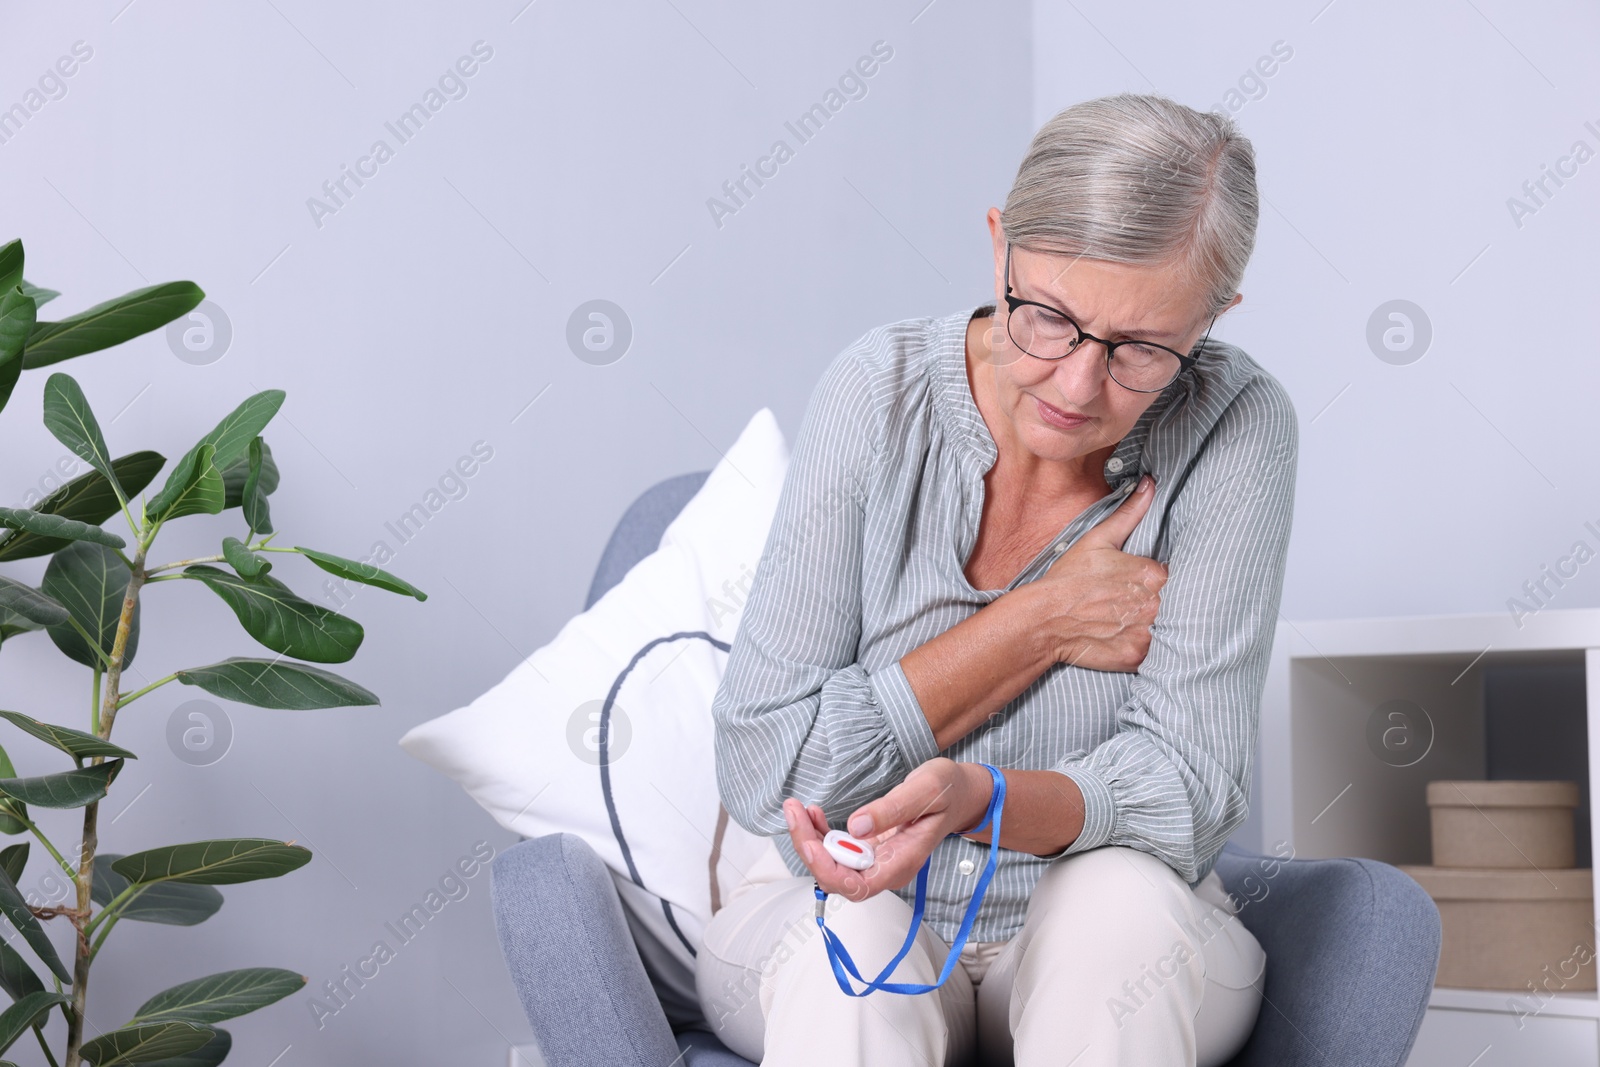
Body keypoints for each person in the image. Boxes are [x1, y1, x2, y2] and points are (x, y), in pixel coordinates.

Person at [697, 91, 1298, 1067]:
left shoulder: (1236, 424)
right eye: (1048, 317)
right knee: (844, 942)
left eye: (1143, 350)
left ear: (1213, 319)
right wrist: (1036, 623)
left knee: (1116, 910)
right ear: (998, 249)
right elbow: (777, 773)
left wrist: (984, 796)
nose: (1075, 387)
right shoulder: (875, 391)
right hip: (847, 907)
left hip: (1111, 936)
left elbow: (1189, 790)